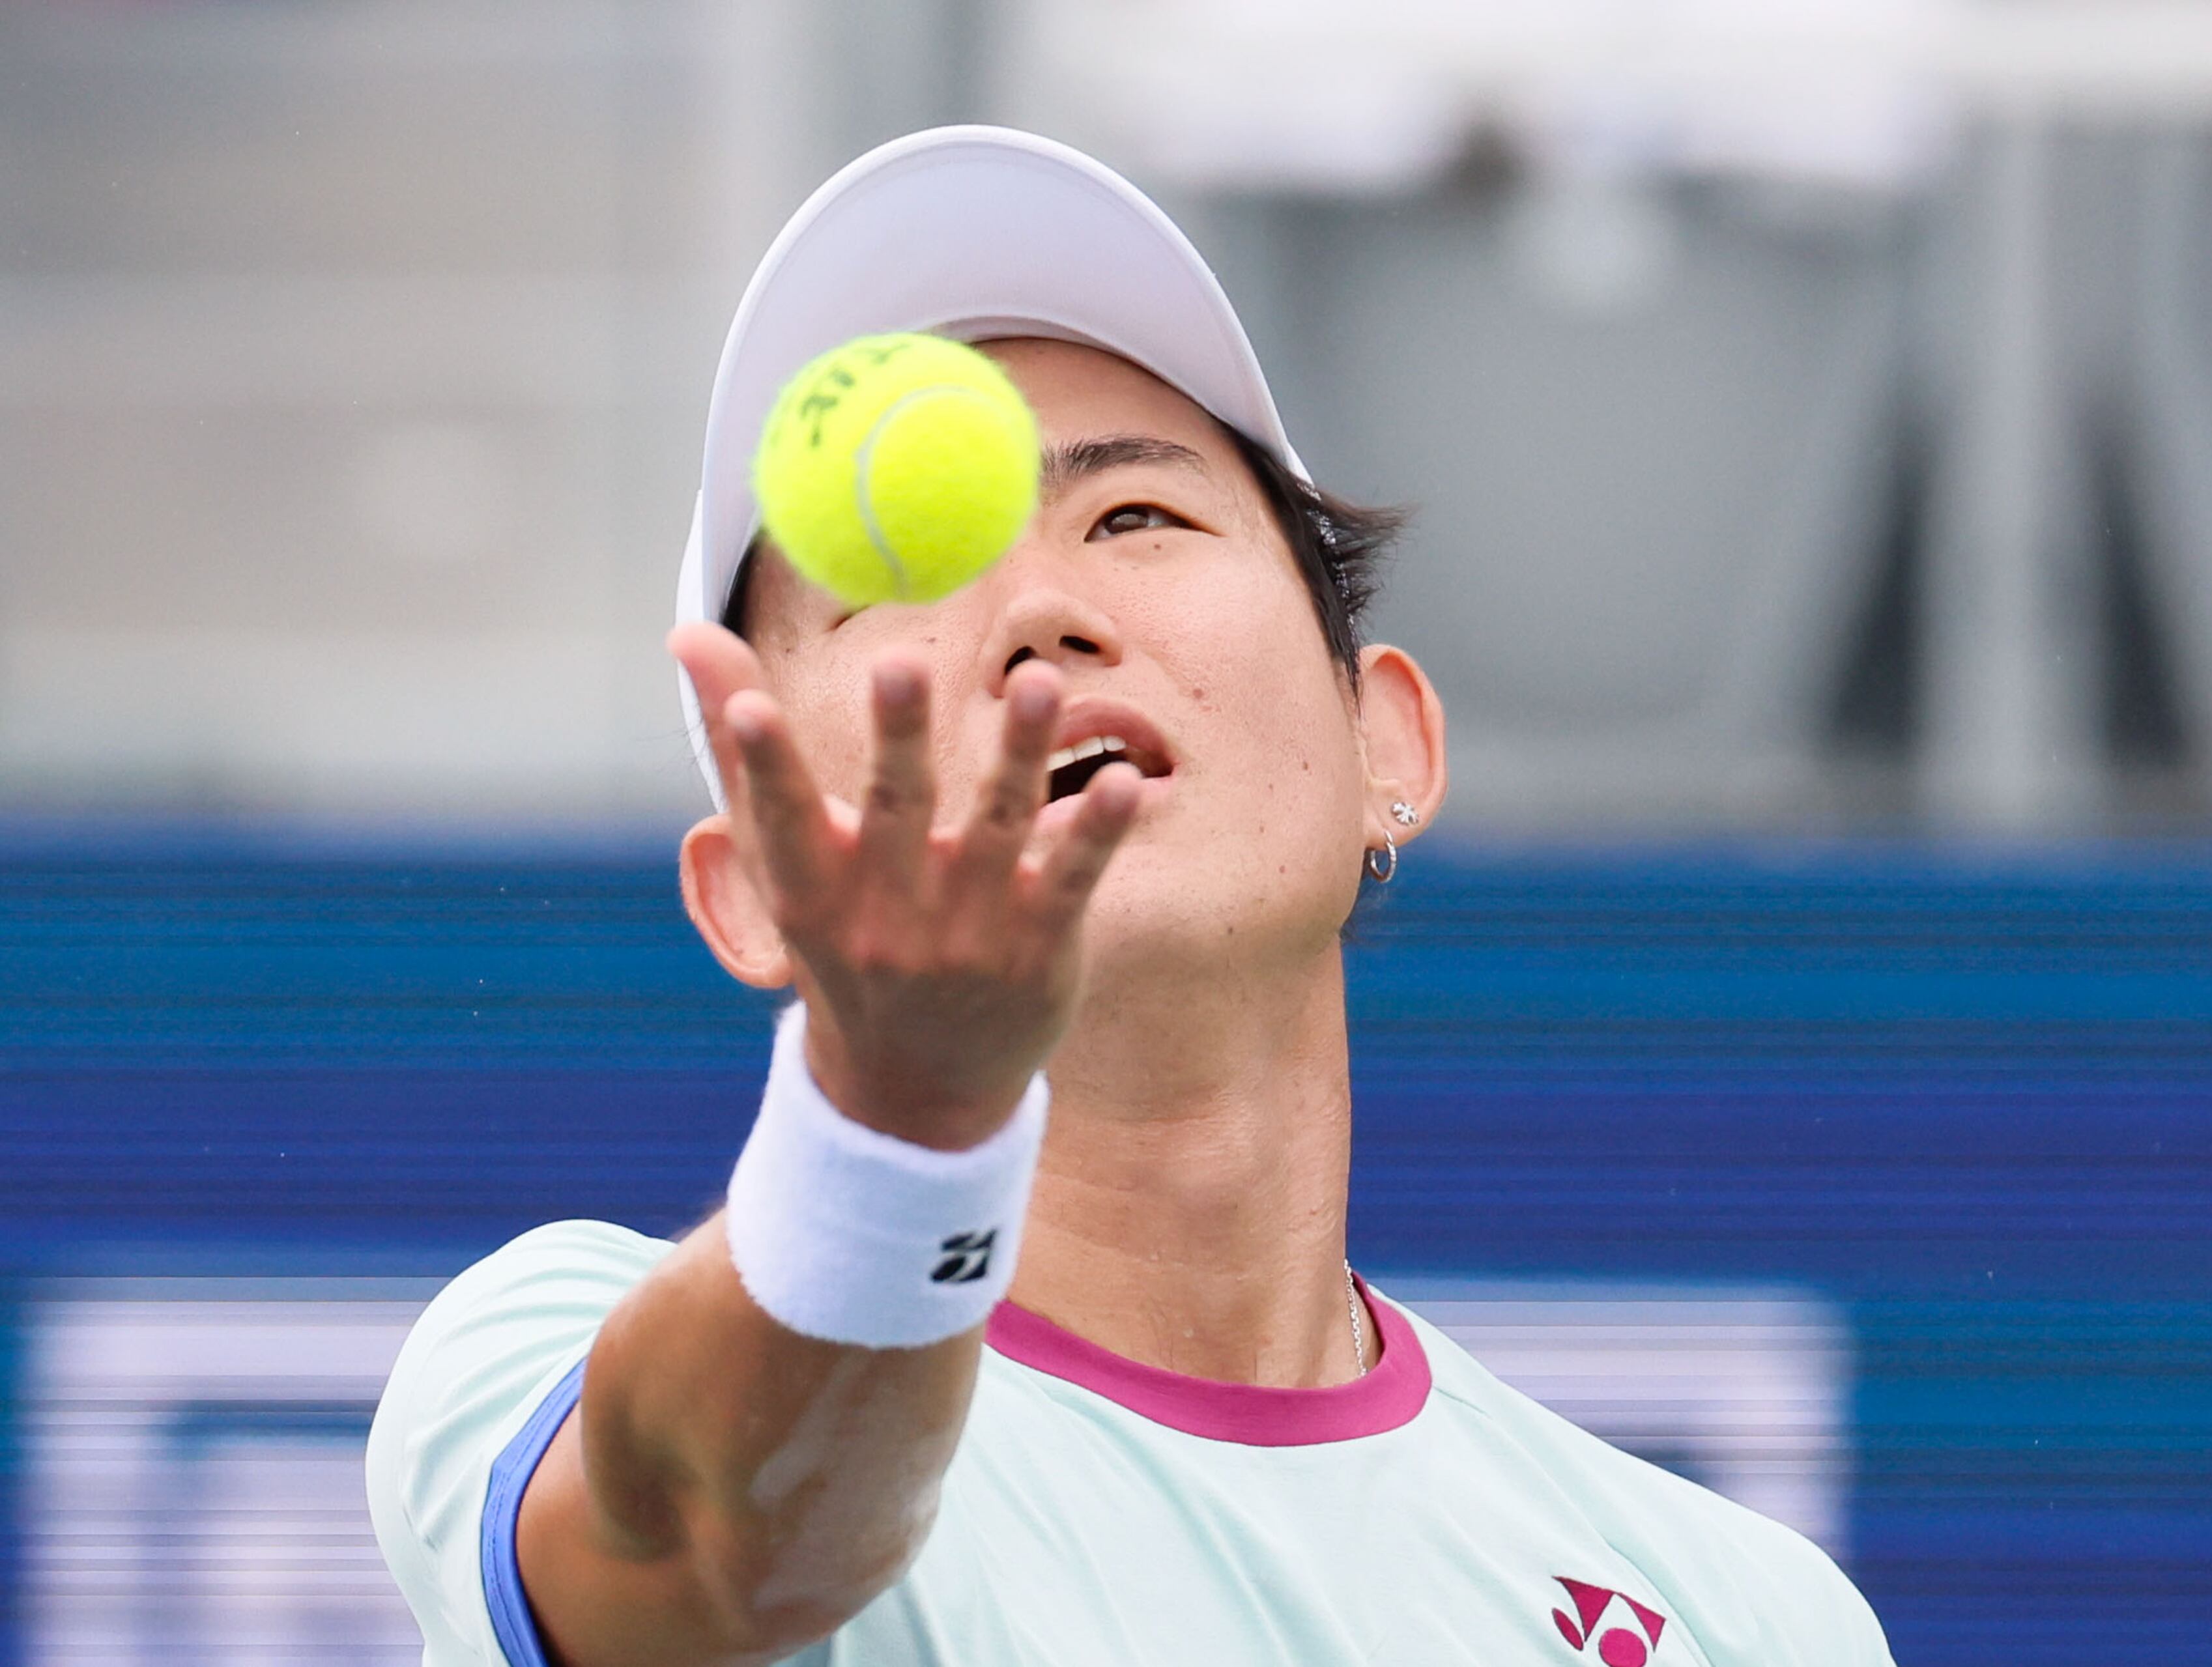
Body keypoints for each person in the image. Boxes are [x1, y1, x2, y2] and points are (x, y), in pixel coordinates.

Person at [366, 125, 1893, 1667]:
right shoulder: (532, 1347)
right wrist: (901, 1128)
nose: (1039, 612)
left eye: (1135, 518)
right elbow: (706, 1549)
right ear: (755, 888)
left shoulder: (1745, 1618)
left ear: (1388, 742)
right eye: (901, 575)